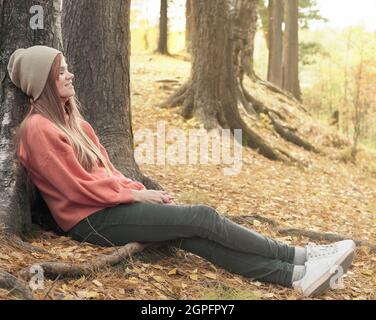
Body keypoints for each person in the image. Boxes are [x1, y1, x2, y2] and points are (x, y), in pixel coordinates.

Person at [8, 46, 356, 298]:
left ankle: (295, 276)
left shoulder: (75, 123)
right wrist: (135, 195)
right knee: (202, 217)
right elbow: (76, 189)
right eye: (60, 72)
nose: (70, 75)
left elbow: (108, 171)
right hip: (91, 220)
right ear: (43, 82)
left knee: (190, 235)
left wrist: (137, 189)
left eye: (67, 68)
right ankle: (300, 256)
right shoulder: (38, 130)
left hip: (112, 206)